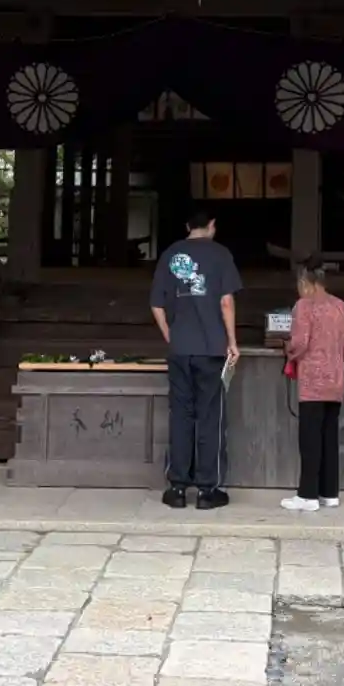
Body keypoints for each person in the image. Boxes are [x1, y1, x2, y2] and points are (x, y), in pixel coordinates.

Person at [149, 208, 241, 509]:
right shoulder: (220, 255)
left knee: (181, 416)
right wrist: (232, 341)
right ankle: (206, 491)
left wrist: (170, 335)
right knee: (210, 418)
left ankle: (177, 488)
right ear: (212, 225)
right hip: (211, 349)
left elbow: (156, 305)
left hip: (180, 350)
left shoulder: (170, 254)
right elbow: (226, 301)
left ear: (187, 225)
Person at [281, 260, 344, 513]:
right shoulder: (340, 305)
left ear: (305, 282)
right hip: (336, 379)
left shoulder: (304, 306)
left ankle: (308, 495)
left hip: (313, 382)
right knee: (329, 437)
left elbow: (300, 343)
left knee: (310, 439)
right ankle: (329, 493)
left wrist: (288, 349)